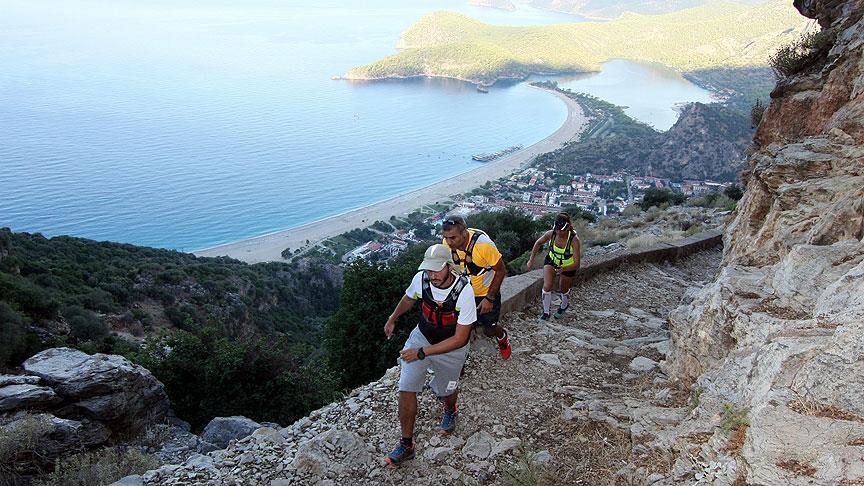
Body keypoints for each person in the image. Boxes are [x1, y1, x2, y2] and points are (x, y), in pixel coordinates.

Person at [382, 244, 477, 465]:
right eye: (429, 269)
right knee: (406, 387)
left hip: (451, 347)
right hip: (422, 336)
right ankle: (407, 444)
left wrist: (422, 353)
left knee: (448, 389)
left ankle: (450, 409)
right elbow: (408, 298)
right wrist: (392, 318)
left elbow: (460, 338)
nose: (432, 274)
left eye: (437, 269)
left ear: (449, 267)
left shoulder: (464, 291)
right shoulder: (421, 280)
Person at [441, 215, 511, 360]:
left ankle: (502, 337)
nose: (448, 242)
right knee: (460, 329)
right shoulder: (447, 244)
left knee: (489, 329)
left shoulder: (483, 245)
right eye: (446, 237)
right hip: (463, 293)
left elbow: (501, 270)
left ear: (464, 232)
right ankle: (459, 361)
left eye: (452, 238)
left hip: (485, 293)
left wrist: (489, 299)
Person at [527, 211, 581, 320]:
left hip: (568, 265)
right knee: (547, 286)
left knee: (563, 288)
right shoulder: (551, 234)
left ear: (568, 228)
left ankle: (564, 305)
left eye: (562, 231)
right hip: (552, 260)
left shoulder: (574, 240)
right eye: (557, 230)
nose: (559, 233)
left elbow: (577, 263)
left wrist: (564, 269)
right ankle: (546, 313)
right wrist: (531, 259)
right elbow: (538, 243)